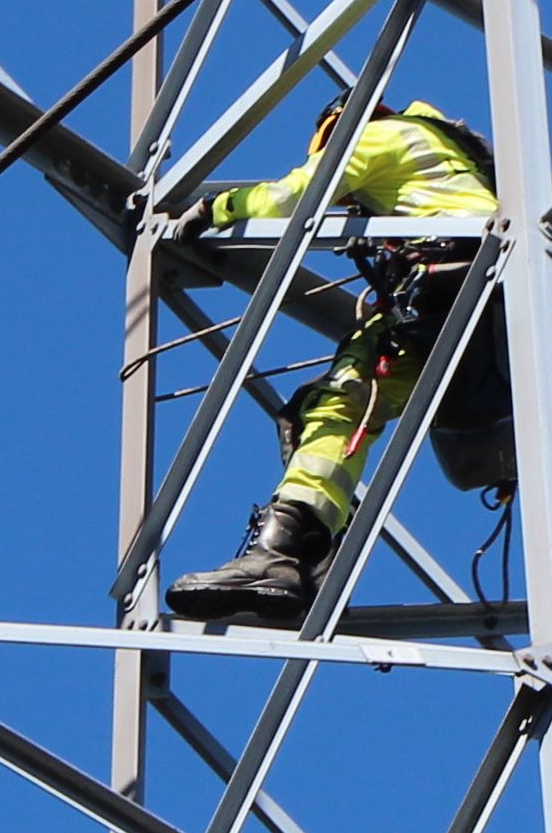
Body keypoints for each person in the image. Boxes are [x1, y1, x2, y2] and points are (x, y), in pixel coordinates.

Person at [163, 96, 509, 624]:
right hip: (484, 297)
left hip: (449, 282)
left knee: (342, 399)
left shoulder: (372, 138)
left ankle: (286, 555)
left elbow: (294, 195)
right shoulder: (450, 154)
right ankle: (307, 559)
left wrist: (218, 208)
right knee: (333, 400)